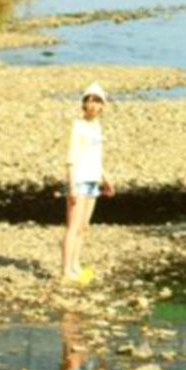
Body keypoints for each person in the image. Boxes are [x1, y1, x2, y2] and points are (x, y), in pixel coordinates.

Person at [62, 83, 113, 284]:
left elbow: (95, 157)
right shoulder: (78, 125)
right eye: (89, 100)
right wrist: (72, 185)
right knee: (73, 227)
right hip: (80, 180)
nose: (93, 104)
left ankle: (75, 265)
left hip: (93, 180)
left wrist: (106, 179)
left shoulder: (97, 127)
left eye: (97, 100)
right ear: (84, 104)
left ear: (103, 106)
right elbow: (71, 157)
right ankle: (66, 271)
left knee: (84, 227)